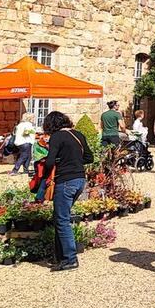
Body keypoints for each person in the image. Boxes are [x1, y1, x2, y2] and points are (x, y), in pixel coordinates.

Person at [41, 112, 94, 271]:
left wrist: (45, 176)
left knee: (62, 219)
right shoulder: (78, 134)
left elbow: (50, 161)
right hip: (79, 180)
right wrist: (74, 160)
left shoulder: (57, 137)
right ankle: (60, 255)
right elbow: (89, 157)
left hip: (65, 180)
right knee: (60, 217)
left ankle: (70, 259)